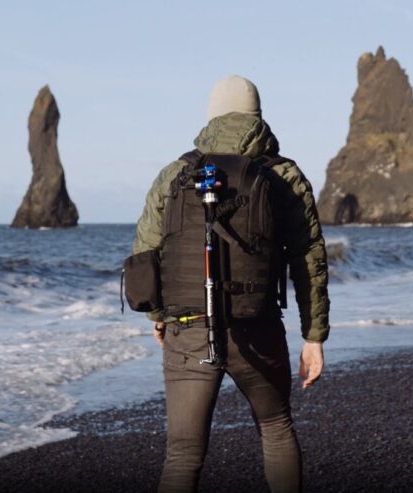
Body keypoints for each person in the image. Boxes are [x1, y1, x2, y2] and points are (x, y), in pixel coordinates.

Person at [132, 75, 330, 493]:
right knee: (275, 428)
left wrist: (157, 314)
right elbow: (308, 258)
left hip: (188, 326)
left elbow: (147, 250)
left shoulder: (175, 173)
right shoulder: (285, 174)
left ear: (211, 116)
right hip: (256, 326)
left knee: (183, 454)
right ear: (258, 116)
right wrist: (314, 336)